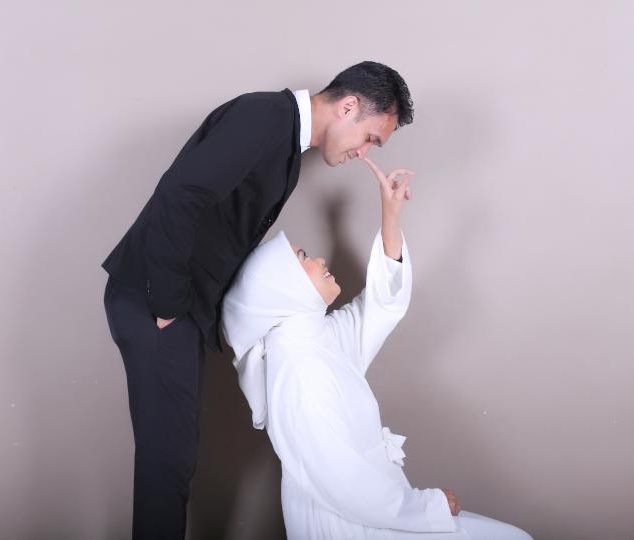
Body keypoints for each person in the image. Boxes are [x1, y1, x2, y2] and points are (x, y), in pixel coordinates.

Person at [101, 61, 414, 539]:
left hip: (174, 305)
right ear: (348, 106)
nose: (363, 152)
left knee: (172, 463)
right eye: (370, 137)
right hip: (156, 301)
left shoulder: (284, 140)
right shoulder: (265, 118)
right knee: (167, 465)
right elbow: (180, 193)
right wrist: (167, 306)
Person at [221, 157, 534, 540]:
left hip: (373, 509)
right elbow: (342, 482)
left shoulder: (314, 339)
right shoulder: (298, 370)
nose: (319, 259)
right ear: (283, 287)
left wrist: (390, 216)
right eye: (303, 258)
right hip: (349, 523)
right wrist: (428, 506)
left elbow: (379, 307)